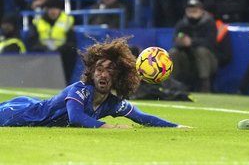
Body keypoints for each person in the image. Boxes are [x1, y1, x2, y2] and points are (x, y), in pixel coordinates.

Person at [0, 37, 189, 128]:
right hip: (21, 114)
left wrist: (177, 127)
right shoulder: (79, 90)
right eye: (99, 69)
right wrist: (112, 127)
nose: (103, 75)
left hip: (31, 105)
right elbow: (76, 118)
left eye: (110, 71)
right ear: (91, 72)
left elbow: (144, 117)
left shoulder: (112, 104)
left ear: (118, 77)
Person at [168, 0, 218, 92]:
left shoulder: (209, 23)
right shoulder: (182, 24)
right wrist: (180, 43)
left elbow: (210, 43)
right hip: (188, 62)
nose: (192, 14)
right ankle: (170, 84)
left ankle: (205, 86)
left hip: (208, 63)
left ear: (201, 11)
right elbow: (174, 42)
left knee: (201, 51)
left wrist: (191, 42)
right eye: (189, 11)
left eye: (195, 11)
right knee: (173, 52)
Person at [27, 0, 77, 82]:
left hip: (62, 56)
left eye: (55, 8)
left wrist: (58, 50)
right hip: (43, 55)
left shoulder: (67, 20)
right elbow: (32, 41)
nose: (53, 11)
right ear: (46, 9)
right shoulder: (38, 21)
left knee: (70, 53)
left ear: (60, 9)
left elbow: (72, 43)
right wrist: (44, 49)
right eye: (50, 8)